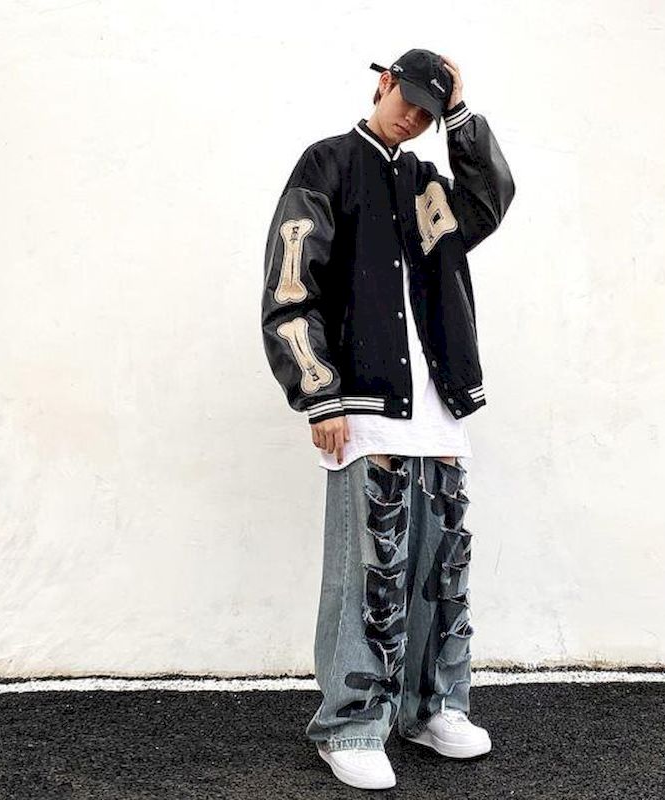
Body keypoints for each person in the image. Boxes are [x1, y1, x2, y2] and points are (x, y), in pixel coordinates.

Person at [261, 48, 515, 790]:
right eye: (409, 101)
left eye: (430, 113)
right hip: (365, 404)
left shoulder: (429, 184)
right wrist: (318, 391)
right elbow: (291, 282)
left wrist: (461, 116)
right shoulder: (329, 164)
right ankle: (350, 723)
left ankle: (432, 707)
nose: (414, 118)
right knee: (369, 570)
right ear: (384, 83)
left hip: (438, 405)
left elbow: (490, 201)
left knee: (442, 566)